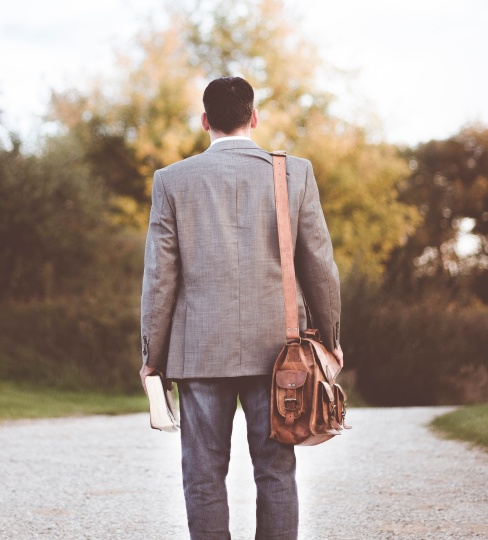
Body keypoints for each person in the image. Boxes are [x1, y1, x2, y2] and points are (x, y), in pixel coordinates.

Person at [139, 76, 342, 540]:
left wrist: (152, 356)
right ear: (254, 118)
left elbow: (159, 279)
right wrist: (331, 341)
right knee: (275, 470)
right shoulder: (296, 173)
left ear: (205, 121)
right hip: (280, 353)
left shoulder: (171, 181)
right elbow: (320, 269)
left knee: (203, 474)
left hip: (199, 351)